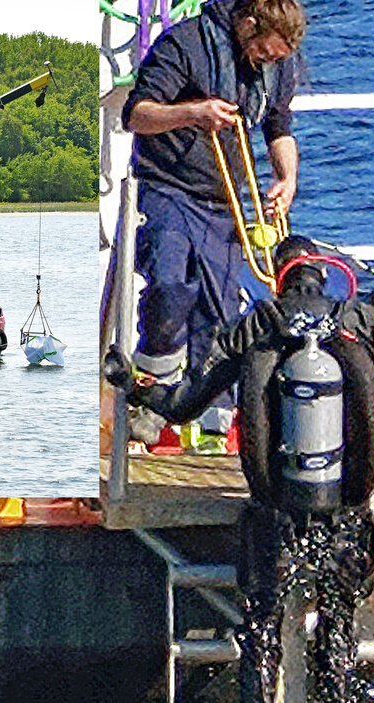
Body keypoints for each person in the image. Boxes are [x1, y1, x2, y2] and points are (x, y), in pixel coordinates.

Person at [105, 236, 374, 703]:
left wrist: (130, 383)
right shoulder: (356, 320)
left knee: (261, 626)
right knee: (337, 626)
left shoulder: (256, 326)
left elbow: (182, 403)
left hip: (273, 515)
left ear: (281, 278)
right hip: (345, 514)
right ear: (322, 276)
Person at [115, 0, 307, 450]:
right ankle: (149, 397)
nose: (268, 62)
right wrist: (194, 113)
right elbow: (136, 115)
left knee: (222, 319)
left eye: (277, 59)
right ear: (248, 24)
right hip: (169, 190)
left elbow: (278, 127)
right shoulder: (185, 45)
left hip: (225, 201)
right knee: (170, 286)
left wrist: (287, 178)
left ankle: (212, 427)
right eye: (265, 53)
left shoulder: (278, 67)